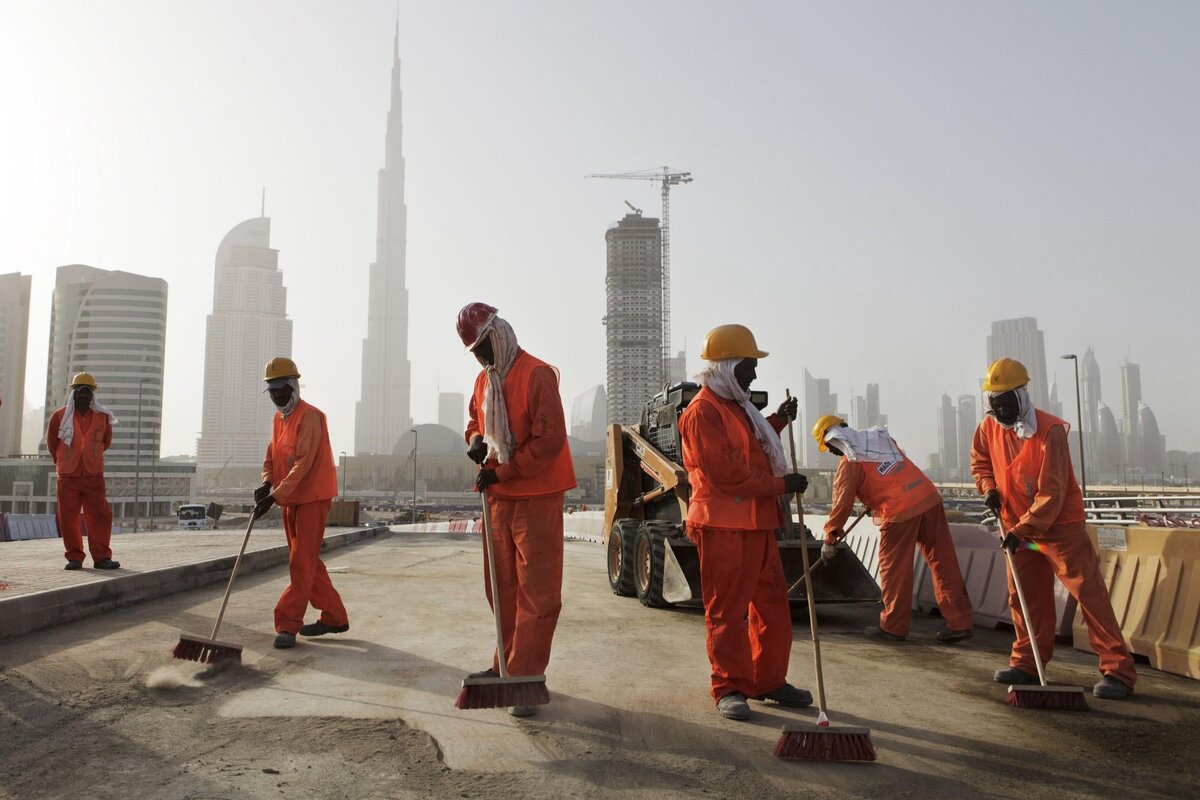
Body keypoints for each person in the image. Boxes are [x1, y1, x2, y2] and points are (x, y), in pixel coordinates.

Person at [971, 358, 1136, 699]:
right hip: (1018, 530)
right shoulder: (988, 428)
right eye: (994, 404)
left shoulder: (1050, 432)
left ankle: (1117, 670)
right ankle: (1027, 663)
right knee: (1025, 599)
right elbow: (980, 462)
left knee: (1088, 596)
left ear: (1022, 396)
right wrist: (988, 487)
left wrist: (1025, 527)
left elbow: (1053, 491)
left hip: (1059, 531)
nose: (1000, 411)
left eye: (1006, 403)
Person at [677, 324, 813, 721]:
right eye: (749, 366)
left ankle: (767, 681)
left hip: (757, 523)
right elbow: (726, 473)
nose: (754, 375)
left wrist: (778, 421)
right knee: (727, 612)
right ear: (727, 365)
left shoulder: (738, 407)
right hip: (723, 526)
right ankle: (729, 686)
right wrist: (781, 484)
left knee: (771, 607)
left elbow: (752, 447)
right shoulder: (702, 412)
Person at [458, 302, 576, 718]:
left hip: (536, 497)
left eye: (483, 346)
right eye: (474, 351)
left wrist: (504, 472)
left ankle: (524, 676)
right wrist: (474, 440)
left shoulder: (537, 374)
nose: (481, 357)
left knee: (537, 593)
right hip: (499, 499)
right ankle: (504, 664)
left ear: (500, 333)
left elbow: (548, 441)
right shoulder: (483, 381)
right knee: (501, 589)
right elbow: (476, 421)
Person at [814, 416, 974, 643]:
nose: (830, 452)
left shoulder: (850, 461)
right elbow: (891, 473)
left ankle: (893, 627)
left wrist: (830, 537)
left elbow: (842, 504)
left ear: (834, 440)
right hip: (928, 498)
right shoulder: (879, 441)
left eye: (829, 447)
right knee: (943, 561)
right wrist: (874, 498)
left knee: (894, 570)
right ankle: (960, 622)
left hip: (899, 510)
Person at [253, 357, 349, 650]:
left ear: (294, 386)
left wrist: (275, 496)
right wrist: (267, 482)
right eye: (274, 392)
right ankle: (334, 616)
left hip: (312, 497)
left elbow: (304, 464)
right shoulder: (278, 420)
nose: (279, 396)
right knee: (308, 562)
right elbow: (272, 456)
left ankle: (287, 623)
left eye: (283, 389)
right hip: (290, 499)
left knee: (300, 561)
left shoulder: (311, 417)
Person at [47, 373, 120, 570]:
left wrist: (91, 457)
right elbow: (52, 443)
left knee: (99, 516)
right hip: (68, 476)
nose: (84, 396)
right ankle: (75, 557)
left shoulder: (103, 417)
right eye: (80, 392)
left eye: (88, 392)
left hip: (93, 475)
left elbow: (106, 441)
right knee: (68, 518)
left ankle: (102, 557)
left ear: (92, 395)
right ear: (74, 393)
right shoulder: (59, 416)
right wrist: (64, 461)